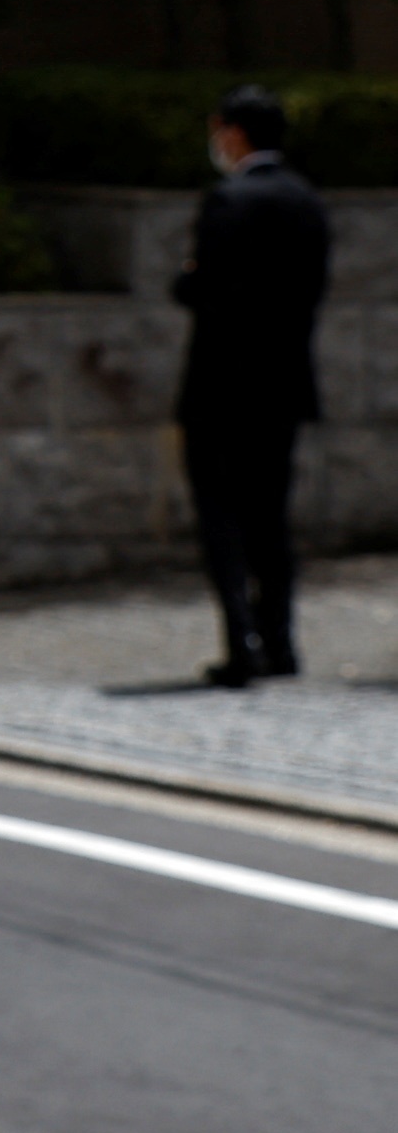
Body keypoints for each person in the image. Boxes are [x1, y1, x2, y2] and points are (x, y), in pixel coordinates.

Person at [174, 83, 330, 686]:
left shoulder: (228, 200)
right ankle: (281, 643)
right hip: (284, 384)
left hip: (221, 387)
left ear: (233, 133)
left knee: (221, 517)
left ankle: (240, 645)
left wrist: (187, 280)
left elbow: (200, 289)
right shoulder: (307, 202)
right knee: (272, 518)